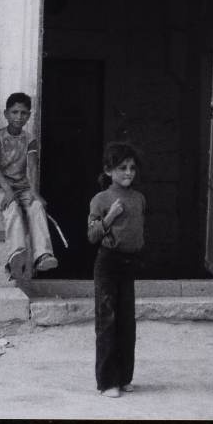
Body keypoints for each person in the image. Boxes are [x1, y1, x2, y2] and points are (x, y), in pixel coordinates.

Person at [88, 142, 146, 398]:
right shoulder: (101, 199)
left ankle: (124, 378)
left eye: (132, 168)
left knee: (127, 324)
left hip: (128, 265)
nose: (128, 173)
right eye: (122, 168)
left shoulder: (139, 198)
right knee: (107, 323)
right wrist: (109, 218)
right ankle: (107, 382)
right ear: (109, 170)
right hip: (107, 265)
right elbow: (91, 235)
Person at [0, 92, 58, 280]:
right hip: (0, 189)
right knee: (12, 209)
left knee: (36, 206)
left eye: (24, 113)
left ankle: (42, 255)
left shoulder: (29, 139)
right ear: (6, 113)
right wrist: (8, 191)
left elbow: (33, 166)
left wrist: (34, 192)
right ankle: (16, 254)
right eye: (15, 112)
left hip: (23, 188)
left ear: (29, 115)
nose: (19, 117)